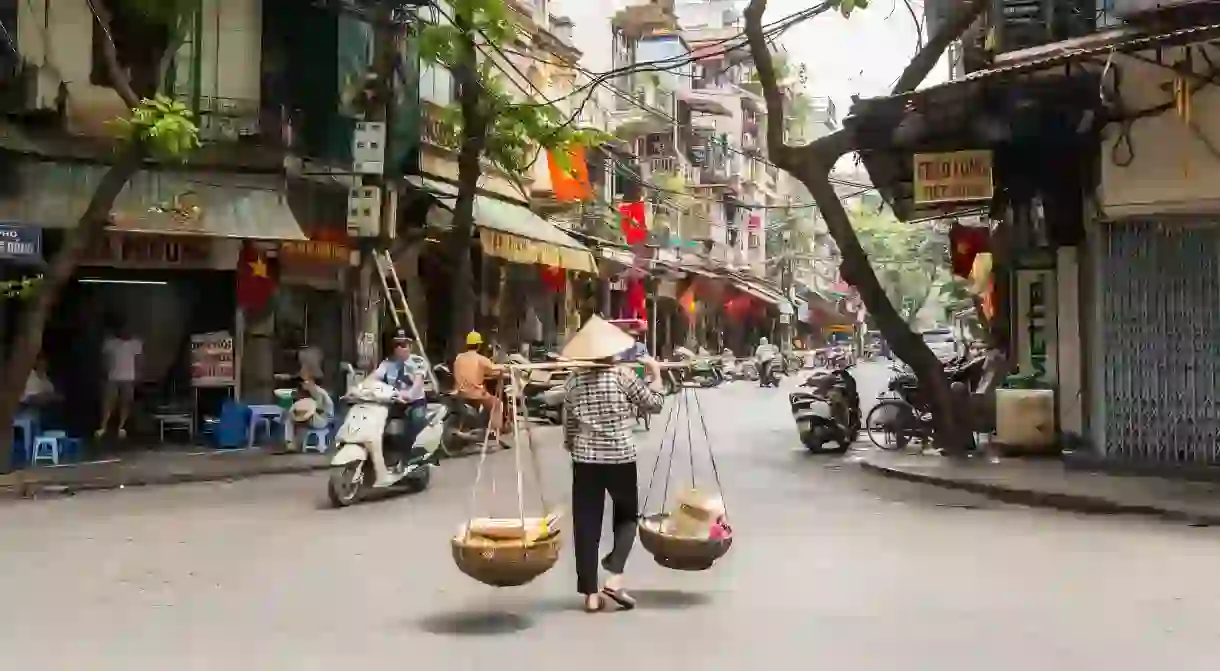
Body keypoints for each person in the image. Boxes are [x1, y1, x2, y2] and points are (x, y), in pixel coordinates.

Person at [561, 316, 665, 613]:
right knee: (627, 517)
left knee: (586, 524)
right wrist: (655, 371)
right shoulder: (622, 376)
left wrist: (572, 445)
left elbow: (568, 424)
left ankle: (591, 596)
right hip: (620, 456)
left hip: (585, 460)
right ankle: (615, 576)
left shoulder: (573, 381)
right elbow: (654, 403)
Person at [364, 330, 428, 486]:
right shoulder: (387, 364)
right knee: (373, 424)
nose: (400, 348)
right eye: (397, 345)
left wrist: (409, 394)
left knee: (415, 423)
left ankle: (406, 460)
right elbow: (373, 378)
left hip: (414, 403)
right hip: (392, 403)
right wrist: (360, 388)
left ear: (410, 346)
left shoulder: (418, 362)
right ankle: (376, 461)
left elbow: (418, 383)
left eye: (403, 344)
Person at [453, 331, 505, 434]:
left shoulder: (458, 358)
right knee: (497, 404)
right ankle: (495, 432)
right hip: (475, 394)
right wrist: (505, 367)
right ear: (479, 345)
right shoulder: (481, 359)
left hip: (460, 393)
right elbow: (495, 369)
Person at [96, 324, 143, 440]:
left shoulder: (135, 343)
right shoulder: (110, 343)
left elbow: (139, 360)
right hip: (112, 377)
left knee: (126, 402)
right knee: (108, 402)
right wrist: (103, 374)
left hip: (129, 377)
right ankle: (103, 426)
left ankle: (122, 426)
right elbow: (104, 360)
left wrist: (139, 374)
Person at [286, 370, 335, 453]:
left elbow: (320, 410)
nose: (302, 384)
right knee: (291, 419)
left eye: (304, 382)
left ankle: (293, 444)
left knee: (293, 420)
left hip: (322, 419)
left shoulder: (318, 393)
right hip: (315, 418)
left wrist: (302, 414)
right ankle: (292, 444)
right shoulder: (310, 392)